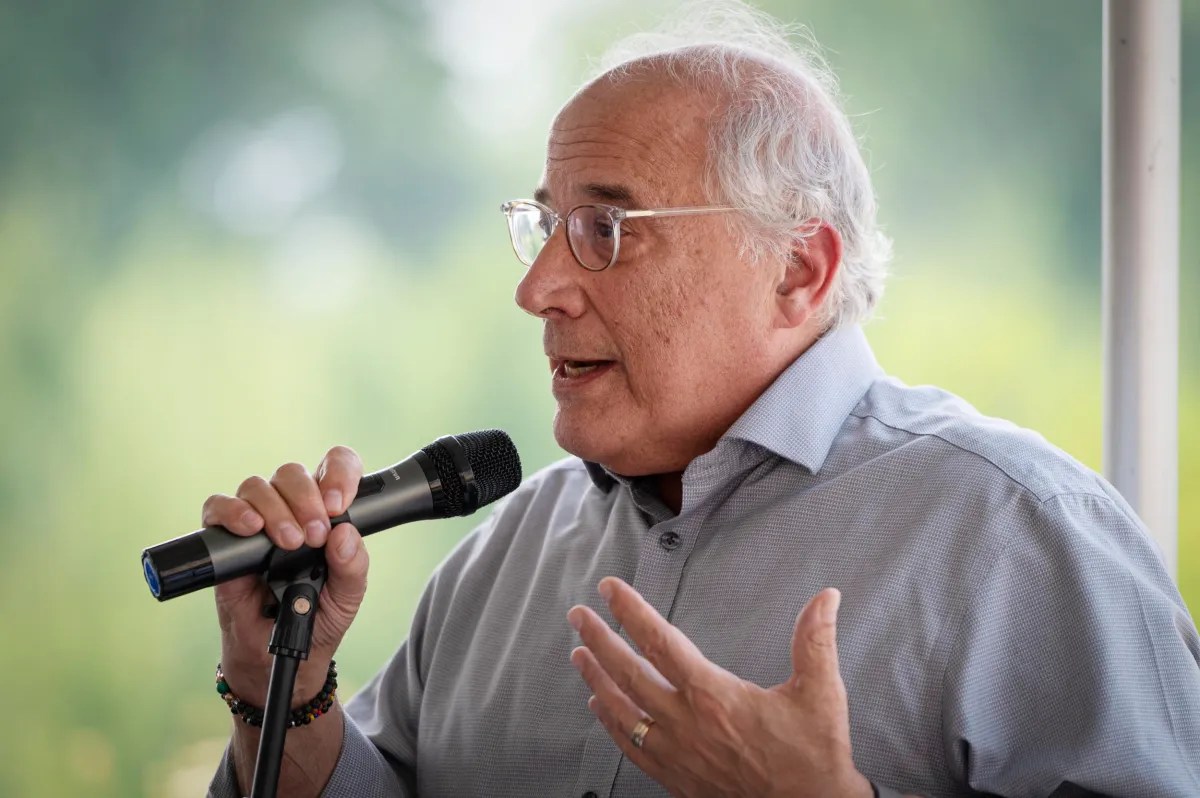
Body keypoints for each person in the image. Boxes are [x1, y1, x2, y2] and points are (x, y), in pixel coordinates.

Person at [207, 2, 1200, 796]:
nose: (537, 287)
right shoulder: (503, 554)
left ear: (797, 271)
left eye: (607, 227)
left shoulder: (1019, 533)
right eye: (545, 225)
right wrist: (277, 687)